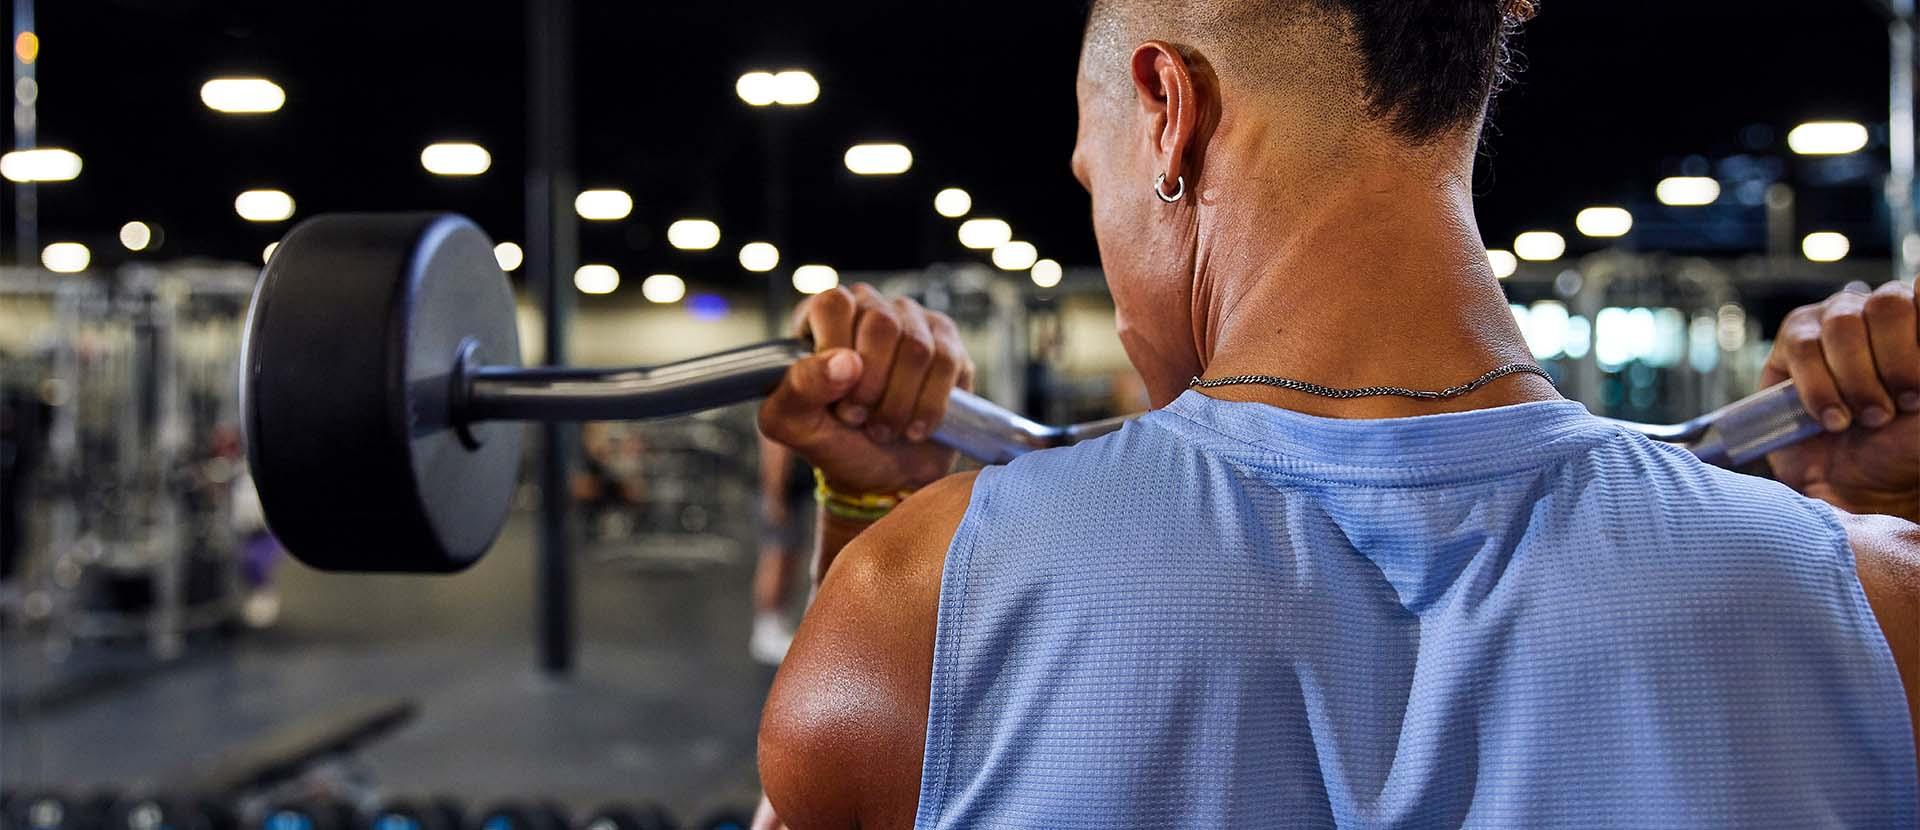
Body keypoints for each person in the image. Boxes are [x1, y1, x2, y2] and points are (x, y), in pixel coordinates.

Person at [753, 1, 1920, 827]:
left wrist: (878, 521)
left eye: (1087, 178)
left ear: (1167, 110)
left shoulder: (913, 599)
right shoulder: (1874, 601)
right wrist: (1881, 500)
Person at [749, 435, 814, 665]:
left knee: (791, 556)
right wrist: (774, 497)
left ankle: (778, 622)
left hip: (794, 490)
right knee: (775, 556)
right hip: (778, 494)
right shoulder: (777, 413)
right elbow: (774, 451)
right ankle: (765, 629)